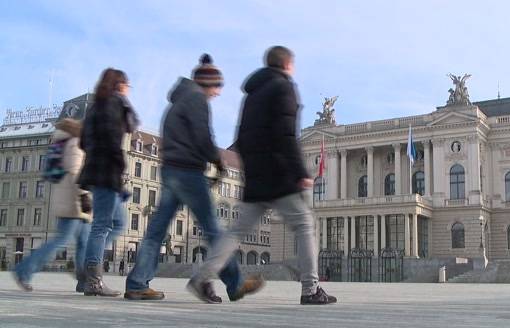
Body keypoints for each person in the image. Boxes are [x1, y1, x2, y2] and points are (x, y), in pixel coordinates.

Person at [125, 54, 263, 302]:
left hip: (171, 170)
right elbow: (203, 135)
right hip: (188, 171)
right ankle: (235, 283)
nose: (218, 93)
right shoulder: (197, 99)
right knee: (213, 229)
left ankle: (137, 283)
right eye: (217, 87)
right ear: (207, 84)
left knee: (156, 231)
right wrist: (218, 161)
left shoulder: (176, 102)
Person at [233, 46, 336, 304]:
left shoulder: (251, 94)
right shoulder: (283, 87)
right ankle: (310, 289)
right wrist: (300, 172)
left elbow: (241, 138)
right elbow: (287, 136)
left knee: (236, 231)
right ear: (287, 64)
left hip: (256, 176)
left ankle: (202, 275)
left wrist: (250, 168)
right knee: (305, 225)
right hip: (278, 176)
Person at [13, 118, 92, 293]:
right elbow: (75, 172)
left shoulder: (62, 143)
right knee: (59, 241)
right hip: (74, 204)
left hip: (68, 202)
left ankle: (84, 281)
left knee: (83, 243)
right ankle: (23, 270)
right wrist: (84, 195)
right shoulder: (75, 143)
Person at [78, 68, 137, 297]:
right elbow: (114, 140)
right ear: (119, 84)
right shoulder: (113, 103)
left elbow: (83, 141)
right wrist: (119, 165)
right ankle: (92, 280)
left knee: (113, 222)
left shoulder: (95, 106)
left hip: (96, 170)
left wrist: (95, 153)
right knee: (102, 226)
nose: (128, 89)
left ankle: (88, 274)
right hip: (107, 172)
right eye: (127, 85)